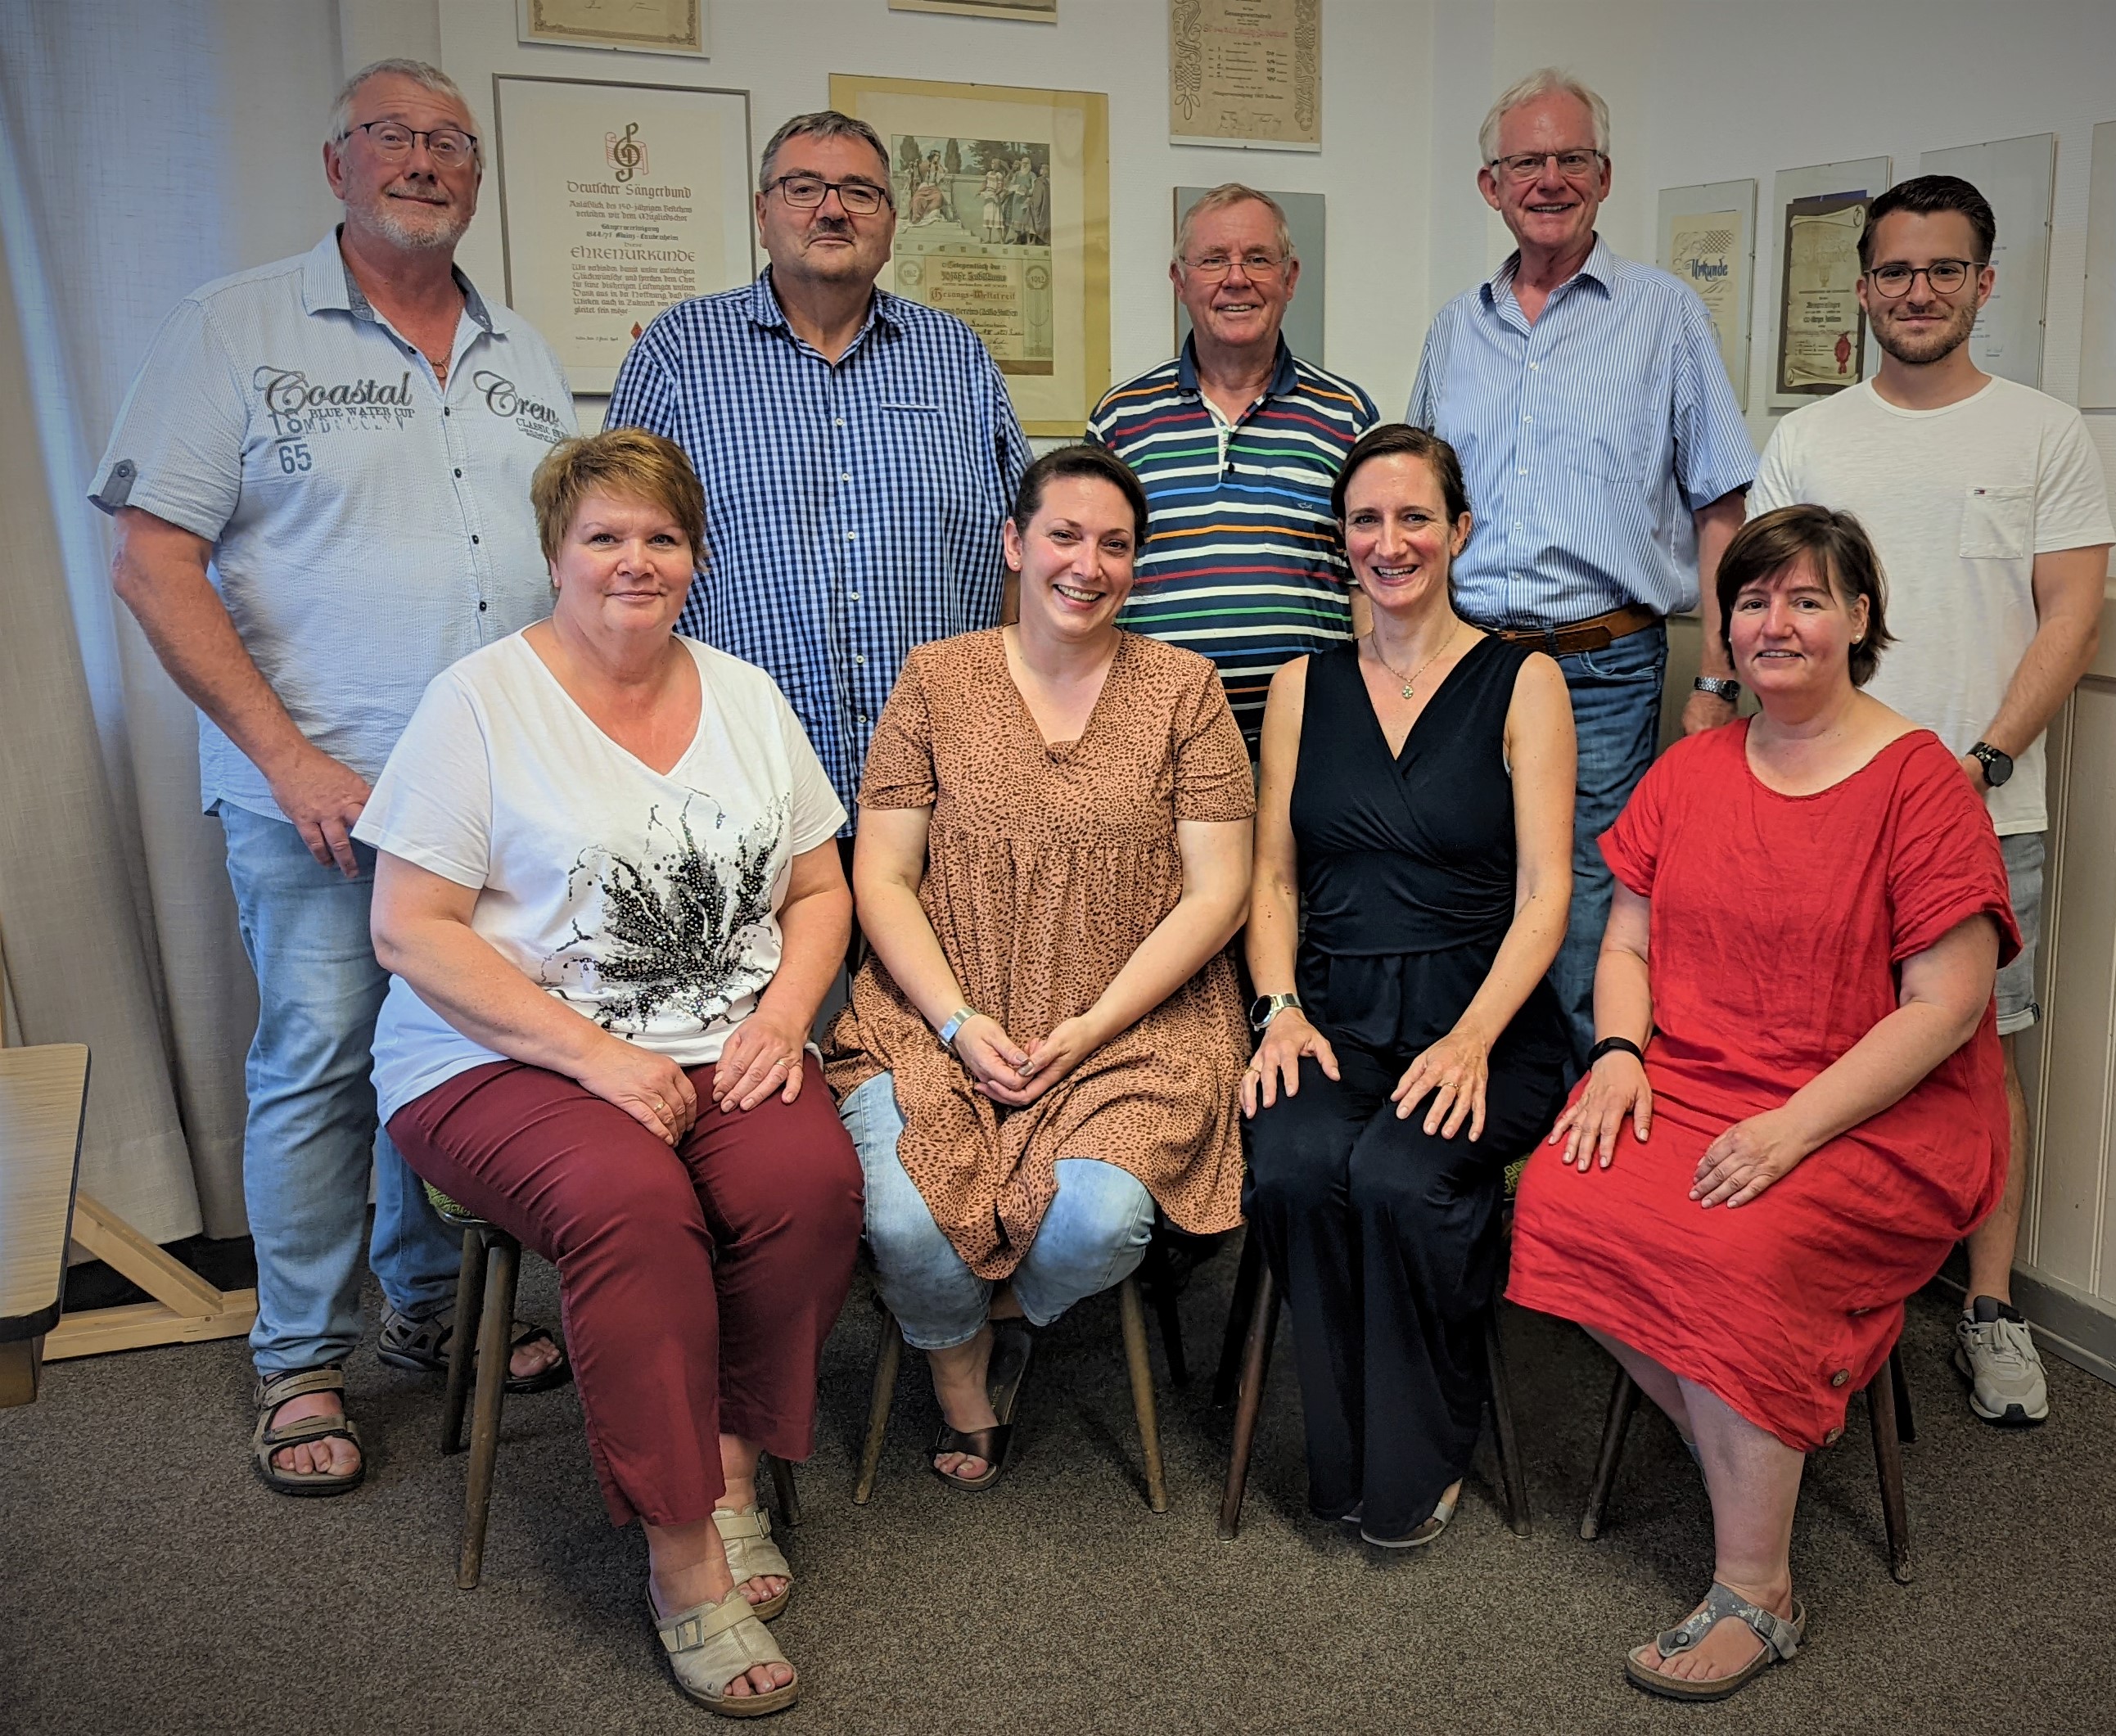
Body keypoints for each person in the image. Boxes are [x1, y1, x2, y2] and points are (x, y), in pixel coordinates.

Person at [90, 57, 574, 1496]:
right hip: (325, 798)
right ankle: (299, 1361)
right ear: (335, 164)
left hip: (493, 797)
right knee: (319, 1066)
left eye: (448, 144)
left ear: (475, 178)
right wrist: (287, 756)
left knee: (452, 1054)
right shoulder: (232, 329)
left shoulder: (522, 356)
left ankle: (425, 1313)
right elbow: (151, 561)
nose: (421, 162)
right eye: (392, 139)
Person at [363, 428, 862, 1716]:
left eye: (660, 537)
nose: (633, 561)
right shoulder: (476, 701)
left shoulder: (746, 697)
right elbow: (409, 927)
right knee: (633, 1208)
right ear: (553, 557)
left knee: (808, 1180)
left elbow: (818, 885)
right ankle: (681, 1554)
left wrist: (786, 1015)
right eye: (603, 537)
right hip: (497, 1056)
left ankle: (731, 1468)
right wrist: (595, 1058)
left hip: (723, 1043)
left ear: (695, 558)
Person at [1509, 505, 2017, 1703]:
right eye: (1749, 602)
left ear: (1855, 618)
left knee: (1735, 1249)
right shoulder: (1689, 768)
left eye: (1803, 599)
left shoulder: (1919, 783)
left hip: (1876, 1115)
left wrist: (1794, 1128)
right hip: (1688, 1080)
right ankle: (1747, 1427)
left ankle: (1760, 1586)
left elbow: (1942, 1007)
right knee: (1556, 1193)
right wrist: (1621, 1052)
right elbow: (1622, 941)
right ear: (1724, 629)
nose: (1771, 623)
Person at [1751, 174, 2114, 1427]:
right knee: (1810, 1041)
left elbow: (2068, 611)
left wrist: (1988, 758)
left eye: (1942, 270)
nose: (1917, 292)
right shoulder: (1809, 440)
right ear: (1860, 289)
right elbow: (1773, 616)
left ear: (1981, 284)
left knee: (1975, 1051)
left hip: (1979, 809)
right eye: (1895, 272)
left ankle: (1986, 1308)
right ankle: (1817, 1281)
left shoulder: (2040, 433)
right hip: (1819, 807)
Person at [825, 446, 1255, 1489]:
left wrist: (1091, 1027)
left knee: (1102, 1222)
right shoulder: (936, 677)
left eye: (1115, 544)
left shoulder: (1184, 690)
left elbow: (1217, 893)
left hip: (1135, 1022)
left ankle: (994, 1309)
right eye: (1063, 535)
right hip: (944, 1003)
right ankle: (966, 1367)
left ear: (1136, 564)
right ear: (1017, 545)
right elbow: (881, 875)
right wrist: (956, 1022)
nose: (1087, 563)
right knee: (898, 1219)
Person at [1241, 425, 1576, 1546]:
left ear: (1458, 531)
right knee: (1289, 1165)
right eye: (1367, 521)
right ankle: (1340, 1453)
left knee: (1395, 1174)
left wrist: (1476, 1037)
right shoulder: (1300, 687)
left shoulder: (1523, 680)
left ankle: (1426, 1440)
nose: (1390, 542)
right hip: (1332, 1017)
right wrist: (1277, 1006)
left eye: (1414, 518)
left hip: (1482, 1020)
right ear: (1341, 541)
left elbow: (1544, 897)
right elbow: (1273, 879)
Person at [1409, 67, 1756, 1057]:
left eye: (1570, 160)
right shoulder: (1454, 329)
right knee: (1461, 872)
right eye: (1526, 161)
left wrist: (1719, 681)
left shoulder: (1664, 316)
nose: (1548, 179)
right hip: (1464, 661)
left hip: (1602, 666)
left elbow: (1722, 506)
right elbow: (1417, 503)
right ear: (1490, 185)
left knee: (1589, 891)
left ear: (1603, 179)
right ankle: (1470, 1110)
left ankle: (1576, 1141)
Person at [606, 110, 1030, 829]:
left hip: (944, 794)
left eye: (859, 192)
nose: (831, 209)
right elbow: (613, 560)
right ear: (761, 213)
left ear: (892, 221)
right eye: (803, 188)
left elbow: (1025, 548)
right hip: (736, 794)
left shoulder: (956, 357)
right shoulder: (679, 352)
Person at [1089, 184, 1379, 758]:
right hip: (1153, 748)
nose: (1236, 277)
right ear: (1179, 281)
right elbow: (1087, 582)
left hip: (1312, 745)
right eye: (1212, 259)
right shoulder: (1119, 419)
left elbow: (1370, 584)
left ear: (1290, 277)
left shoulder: (1346, 416)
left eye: (1258, 258)